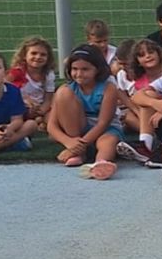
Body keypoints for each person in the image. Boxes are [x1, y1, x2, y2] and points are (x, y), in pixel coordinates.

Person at [46, 45, 123, 180]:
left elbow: (103, 123)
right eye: (75, 69)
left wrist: (80, 144)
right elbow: (51, 126)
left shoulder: (108, 88)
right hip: (77, 130)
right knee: (63, 93)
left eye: (85, 69)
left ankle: (100, 163)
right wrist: (69, 143)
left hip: (105, 129)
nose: (79, 74)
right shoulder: (67, 89)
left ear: (97, 69)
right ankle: (79, 154)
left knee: (107, 142)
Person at [7, 36, 57, 126]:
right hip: (21, 106)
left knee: (52, 116)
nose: (38, 57)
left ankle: (44, 123)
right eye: (34, 53)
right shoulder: (17, 72)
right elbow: (4, 84)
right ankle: (35, 123)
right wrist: (25, 99)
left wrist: (40, 111)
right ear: (24, 56)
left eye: (43, 55)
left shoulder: (48, 74)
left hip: (40, 107)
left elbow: (48, 99)